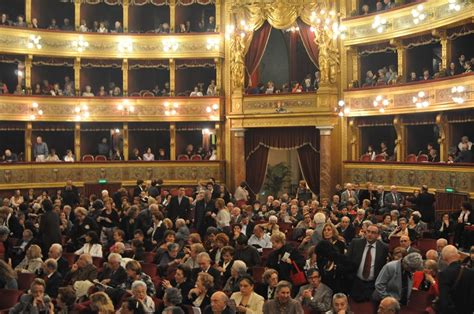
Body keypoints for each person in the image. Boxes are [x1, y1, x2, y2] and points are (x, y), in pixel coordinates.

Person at [346, 224, 389, 302]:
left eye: (373, 232)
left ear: (378, 235)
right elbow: (347, 261)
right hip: (356, 283)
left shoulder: (384, 247)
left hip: (373, 285)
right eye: (368, 231)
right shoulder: (355, 243)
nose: (369, 234)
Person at [438, 245, 474, 313]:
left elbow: (444, 301)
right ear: (458, 255)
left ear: (444, 258)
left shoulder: (443, 274)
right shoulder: (471, 272)